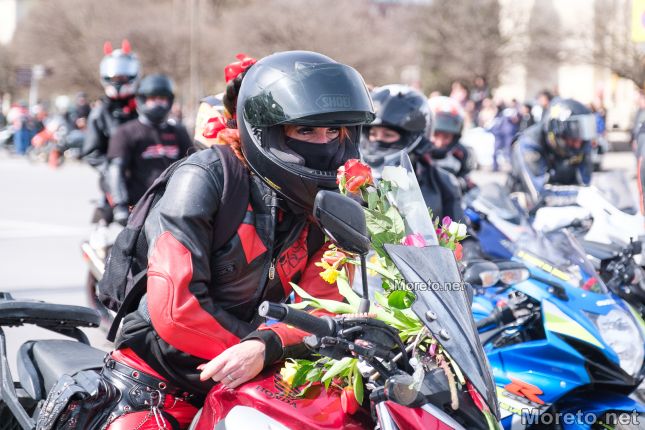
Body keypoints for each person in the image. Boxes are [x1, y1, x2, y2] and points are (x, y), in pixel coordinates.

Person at [42, 51, 375, 430]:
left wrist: (267, 345)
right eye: (306, 131)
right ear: (267, 131)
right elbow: (175, 309)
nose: (325, 144)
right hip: (159, 385)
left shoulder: (325, 201)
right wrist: (258, 348)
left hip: (249, 377)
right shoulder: (206, 178)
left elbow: (326, 303)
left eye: (333, 132)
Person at [360, 84, 465, 222]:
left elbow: (462, 229)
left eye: (388, 135)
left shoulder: (444, 183)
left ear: (412, 137)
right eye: (373, 134)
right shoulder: (352, 179)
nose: (378, 140)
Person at [105, 74, 194, 226]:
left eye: (162, 98)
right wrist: (120, 205)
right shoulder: (126, 132)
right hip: (138, 209)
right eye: (153, 98)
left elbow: (193, 167)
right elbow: (115, 171)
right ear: (142, 100)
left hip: (174, 207)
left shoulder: (178, 132)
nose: (158, 103)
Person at [82, 40, 140, 222]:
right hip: (116, 179)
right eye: (115, 77)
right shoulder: (100, 112)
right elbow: (91, 152)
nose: (118, 80)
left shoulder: (141, 108)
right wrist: (113, 168)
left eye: (122, 77)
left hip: (145, 173)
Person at [508, 98, 597, 206]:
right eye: (573, 139)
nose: (577, 145)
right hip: (527, 210)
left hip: (569, 207)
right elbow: (539, 194)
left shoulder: (582, 146)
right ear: (557, 133)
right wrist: (582, 195)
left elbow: (585, 183)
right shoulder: (529, 144)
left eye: (581, 138)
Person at [427, 95, 476, 191]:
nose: (439, 142)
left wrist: (461, 183)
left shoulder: (461, 154)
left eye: (446, 136)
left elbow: (467, 183)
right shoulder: (416, 154)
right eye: (435, 134)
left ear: (455, 137)